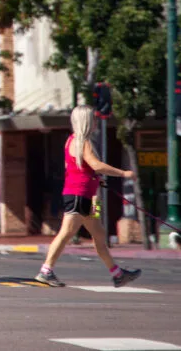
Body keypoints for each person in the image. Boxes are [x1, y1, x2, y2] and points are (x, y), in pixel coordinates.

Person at [35, 105, 142, 288]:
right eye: (93, 119)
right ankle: (46, 271)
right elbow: (96, 165)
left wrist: (96, 197)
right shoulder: (81, 142)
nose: (96, 122)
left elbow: (82, 170)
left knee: (99, 235)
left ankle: (117, 274)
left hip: (87, 196)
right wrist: (123, 173)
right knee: (66, 232)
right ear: (86, 121)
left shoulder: (73, 141)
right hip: (77, 195)